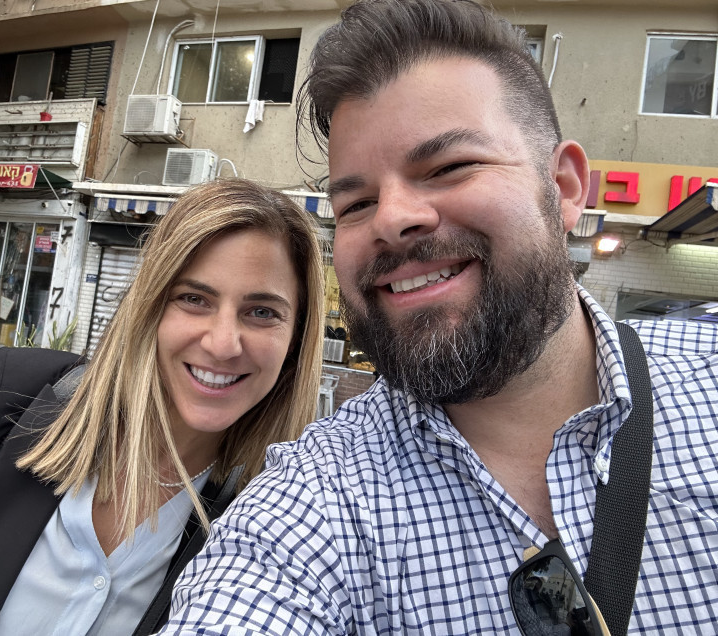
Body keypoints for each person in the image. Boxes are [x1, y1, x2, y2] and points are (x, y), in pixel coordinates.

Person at [158, 1, 718, 634]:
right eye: (357, 202)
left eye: (449, 167)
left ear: (563, 188)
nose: (392, 218)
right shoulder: (316, 504)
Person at [0, 178, 325, 635]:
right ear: (149, 306)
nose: (223, 344)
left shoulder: (266, 516)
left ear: (296, 339)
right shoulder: (20, 392)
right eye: (193, 299)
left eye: (262, 312)